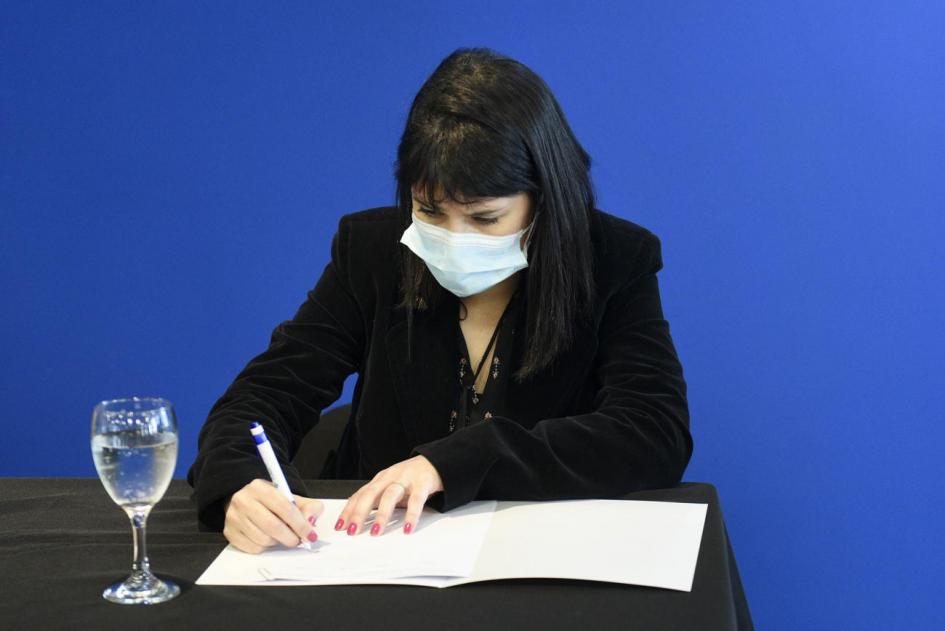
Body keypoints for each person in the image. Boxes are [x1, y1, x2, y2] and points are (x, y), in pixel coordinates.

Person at [187, 47, 692, 554]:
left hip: (535, 548)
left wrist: (452, 462)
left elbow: (652, 431)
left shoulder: (616, 261)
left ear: (545, 200)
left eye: (485, 218)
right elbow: (268, 392)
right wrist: (240, 481)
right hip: (374, 551)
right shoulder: (370, 251)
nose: (453, 238)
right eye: (429, 211)